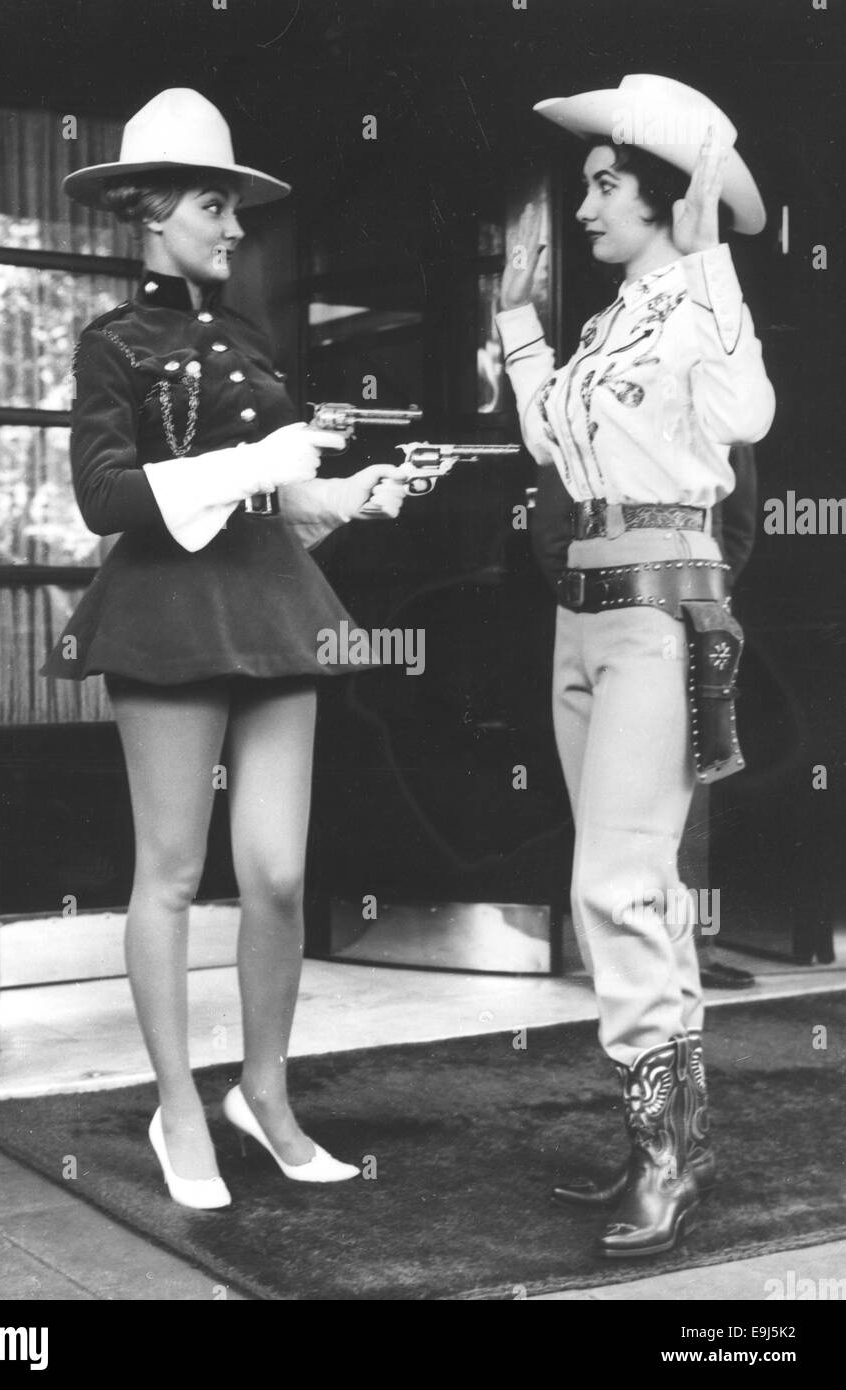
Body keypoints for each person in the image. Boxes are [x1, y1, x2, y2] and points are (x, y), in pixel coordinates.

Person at [41, 89, 412, 1208]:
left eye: (236, 209)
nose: (235, 228)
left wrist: (344, 494)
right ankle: (178, 1106)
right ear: (154, 211)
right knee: (166, 873)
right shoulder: (111, 346)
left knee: (281, 874)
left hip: (267, 604)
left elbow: (279, 498)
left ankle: (265, 1092)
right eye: (215, 205)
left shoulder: (247, 339)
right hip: (163, 614)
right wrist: (265, 466)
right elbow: (104, 498)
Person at [497, 75, 774, 1256]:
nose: (587, 201)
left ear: (666, 201)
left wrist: (713, 266)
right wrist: (515, 329)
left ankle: (664, 1156)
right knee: (639, 888)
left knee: (612, 888)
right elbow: (554, 440)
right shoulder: (614, 316)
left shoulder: (695, 304)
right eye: (589, 183)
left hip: (660, 618)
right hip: (586, 619)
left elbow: (748, 414)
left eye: (607, 185)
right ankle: (671, 1146)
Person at [531, 446, 761, 991]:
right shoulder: (577, 403)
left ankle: (679, 967)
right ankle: (631, 976)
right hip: (609, 611)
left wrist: (698, 595)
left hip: (677, 611)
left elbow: (739, 528)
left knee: (678, 810)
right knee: (621, 822)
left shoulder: (713, 405)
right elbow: (551, 535)